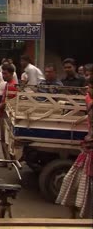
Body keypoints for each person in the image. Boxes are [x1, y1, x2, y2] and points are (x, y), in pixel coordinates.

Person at [56, 76, 93, 218]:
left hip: (89, 152)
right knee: (71, 184)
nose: (87, 90)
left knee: (78, 188)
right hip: (87, 151)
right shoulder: (89, 102)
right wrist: (82, 119)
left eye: (90, 87)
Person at [0, 64, 18, 165]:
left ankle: (8, 161)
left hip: (7, 116)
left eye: (5, 73)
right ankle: (11, 160)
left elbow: (6, 103)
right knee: (7, 140)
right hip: (4, 114)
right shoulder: (9, 84)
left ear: (11, 74)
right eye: (2, 73)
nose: (3, 76)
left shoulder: (12, 86)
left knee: (6, 140)